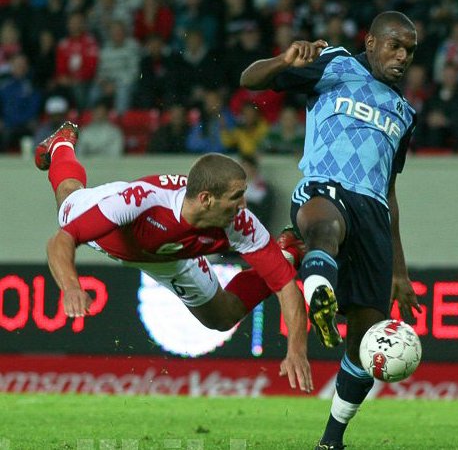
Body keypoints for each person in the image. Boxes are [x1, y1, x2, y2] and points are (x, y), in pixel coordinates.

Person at [240, 11, 422, 450]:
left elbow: (391, 192)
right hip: (326, 185)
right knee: (324, 223)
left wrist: (399, 269)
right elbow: (250, 80)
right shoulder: (334, 63)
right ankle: (318, 284)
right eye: (395, 46)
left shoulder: (404, 113)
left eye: (410, 51)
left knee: (365, 340)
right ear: (372, 41)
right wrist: (285, 61)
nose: (402, 57)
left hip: (375, 213)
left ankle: (331, 440)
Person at [33, 121, 313, 393]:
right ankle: (61, 145)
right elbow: (60, 242)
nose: (244, 204)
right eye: (236, 196)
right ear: (205, 199)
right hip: (114, 235)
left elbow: (286, 287)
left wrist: (297, 351)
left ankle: (288, 252)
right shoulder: (141, 202)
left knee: (222, 318)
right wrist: (71, 287)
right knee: (67, 200)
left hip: (171, 258)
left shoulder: (239, 224)